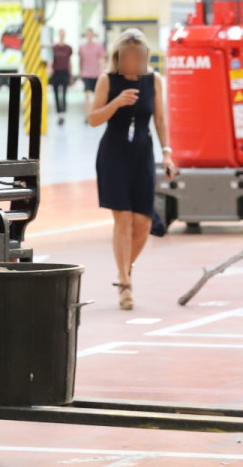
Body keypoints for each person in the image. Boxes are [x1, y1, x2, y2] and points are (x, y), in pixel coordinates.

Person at [88, 29, 175, 310]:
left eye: (138, 57)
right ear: (118, 57)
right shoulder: (107, 80)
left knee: (144, 223)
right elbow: (93, 119)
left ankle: (126, 267)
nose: (132, 62)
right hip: (113, 155)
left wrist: (167, 153)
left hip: (143, 154)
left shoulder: (154, 80)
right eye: (127, 57)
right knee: (123, 219)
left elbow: (160, 120)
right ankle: (125, 283)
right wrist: (117, 102)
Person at [78, 27, 105, 120]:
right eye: (87, 34)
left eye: (90, 34)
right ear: (86, 35)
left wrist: (102, 71)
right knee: (87, 94)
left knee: (97, 95)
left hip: (96, 74)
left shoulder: (98, 46)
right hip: (86, 73)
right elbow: (80, 60)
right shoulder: (82, 46)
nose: (89, 36)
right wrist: (80, 72)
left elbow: (101, 60)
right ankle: (88, 114)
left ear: (93, 35)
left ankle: (96, 113)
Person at [49, 29, 73, 125]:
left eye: (63, 34)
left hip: (65, 72)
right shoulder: (54, 48)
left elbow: (69, 62)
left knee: (64, 94)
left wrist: (71, 76)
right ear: (58, 35)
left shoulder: (68, 48)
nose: (62, 36)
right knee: (55, 94)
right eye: (60, 34)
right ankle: (58, 113)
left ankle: (63, 113)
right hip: (56, 72)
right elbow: (50, 61)